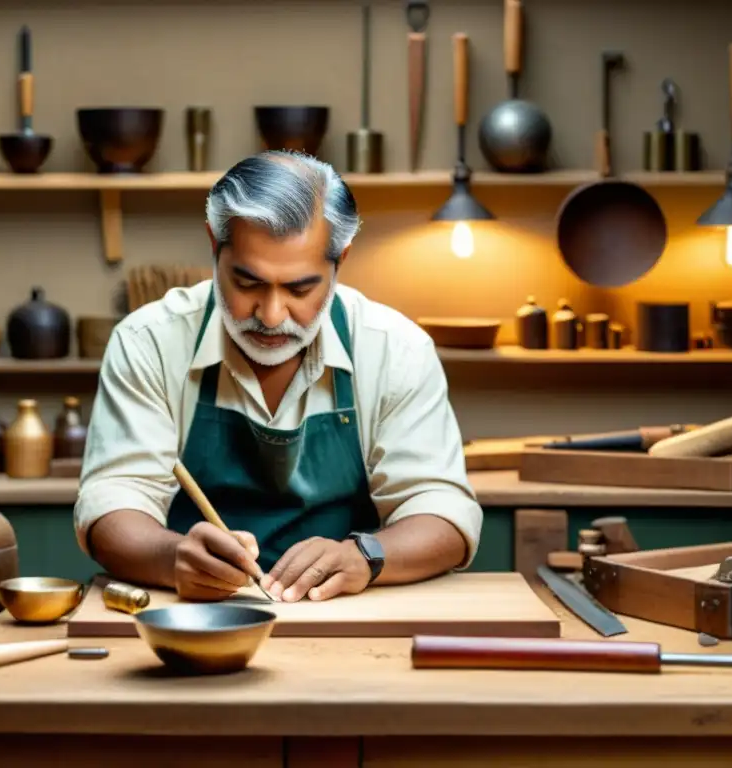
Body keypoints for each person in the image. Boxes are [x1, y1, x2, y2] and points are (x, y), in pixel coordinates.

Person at [74, 150, 483, 603]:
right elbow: (111, 505)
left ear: (340, 260)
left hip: (346, 617)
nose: (271, 316)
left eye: (300, 289)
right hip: (193, 615)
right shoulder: (149, 341)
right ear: (214, 245)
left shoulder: (396, 348)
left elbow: (444, 514)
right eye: (247, 283)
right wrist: (172, 559)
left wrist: (366, 556)